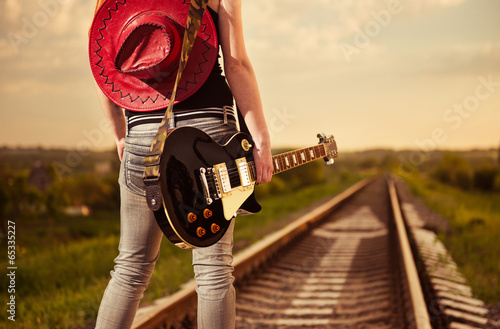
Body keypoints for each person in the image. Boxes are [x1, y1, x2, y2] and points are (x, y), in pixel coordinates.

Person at [88, 0, 273, 328]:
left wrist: (121, 134)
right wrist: (260, 139)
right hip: (208, 133)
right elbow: (236, 63)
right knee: (213, 270)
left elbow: (102, 67)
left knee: (130, 269)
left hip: (142, 135)